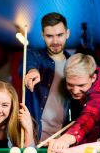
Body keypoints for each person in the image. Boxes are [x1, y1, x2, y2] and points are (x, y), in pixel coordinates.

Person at [47, 53, 100, 153]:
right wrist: (64, 140)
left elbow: (91, 114)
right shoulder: (87, 75)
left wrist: (68, 137)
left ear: (93, 78)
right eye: (70, 85)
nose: (75, 91)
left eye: (81, 85)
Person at [22, 12, 73, 142]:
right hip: (32, 135)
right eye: (49, 36)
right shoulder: (33, 55)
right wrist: (32, 71)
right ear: (42, 35)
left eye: (60, 35)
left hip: (60, 137)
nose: (55, 41)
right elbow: (28, 64)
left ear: (67, 33)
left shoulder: (73, 63)